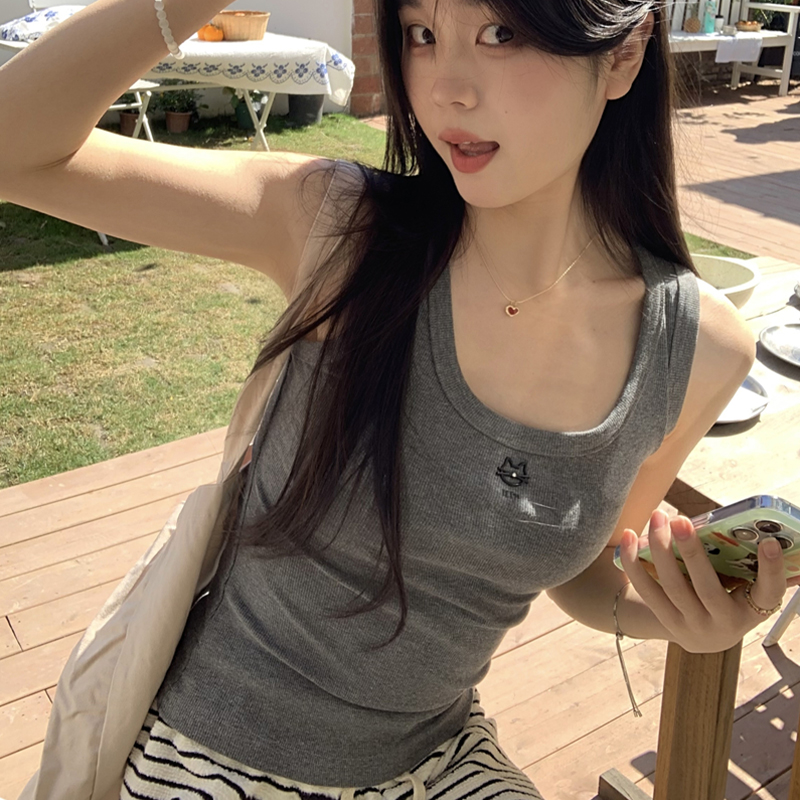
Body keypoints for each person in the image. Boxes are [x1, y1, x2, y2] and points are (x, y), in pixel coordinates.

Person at [2, 0, 798, 798]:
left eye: (501, 33)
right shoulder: (337, 231)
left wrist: (681, 619)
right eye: (422, 33)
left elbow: (592, 572)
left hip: (437, 761)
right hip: (215, 757)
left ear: (622, 55)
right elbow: (16, 150)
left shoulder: (698, 351)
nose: (445, 88)